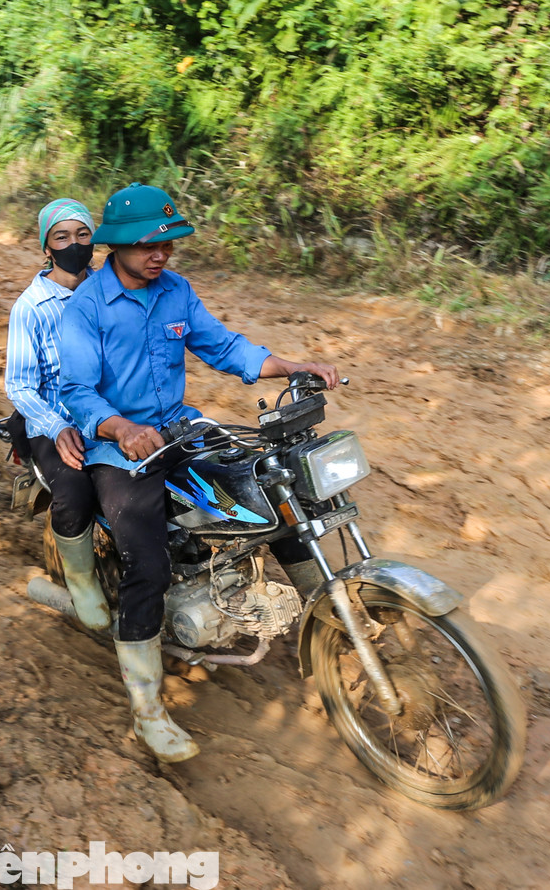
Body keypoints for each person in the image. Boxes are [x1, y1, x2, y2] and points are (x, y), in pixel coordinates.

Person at [58, 182, 340, 763]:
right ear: (116, 245)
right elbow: (76, 391)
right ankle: (147, 711)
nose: (159, 253)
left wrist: (292, 365)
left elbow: (226, 348)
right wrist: (121, 429)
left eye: (167, 242)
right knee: (148, 562)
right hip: (120, 452)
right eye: (145, 244)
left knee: (271, 498)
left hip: (182, 433)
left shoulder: (177, 291)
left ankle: (334, 622)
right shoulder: (85, 308)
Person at [4, 199, 107, 631]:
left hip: (111, 411)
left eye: (82, 235)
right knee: (74, 488)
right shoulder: (31, 307)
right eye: (62, 237)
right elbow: (20, 385)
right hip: (55, 419)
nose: (74, 245)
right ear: (46, 247)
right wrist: (57, 426)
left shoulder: (109, 290)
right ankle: (81, 581)